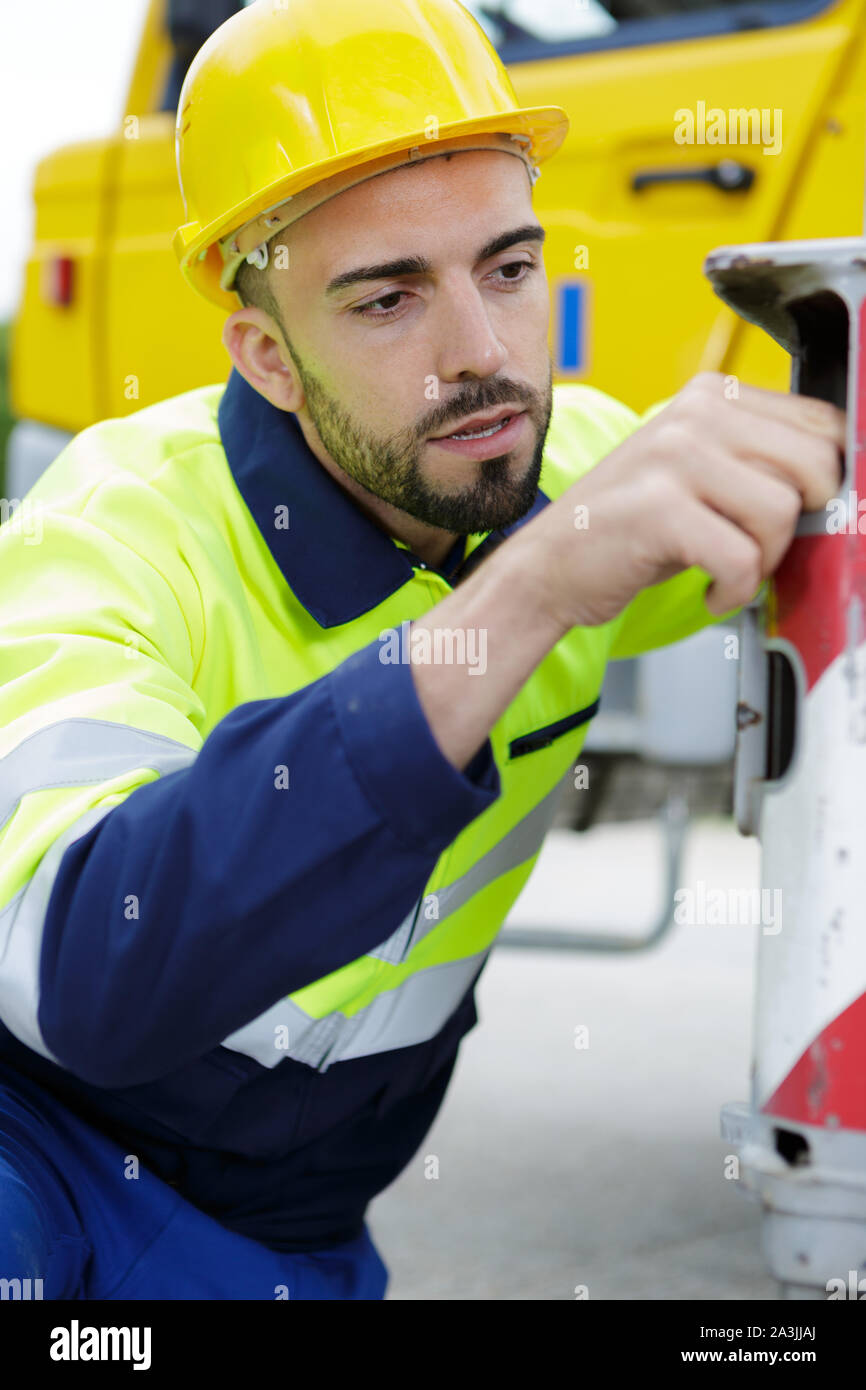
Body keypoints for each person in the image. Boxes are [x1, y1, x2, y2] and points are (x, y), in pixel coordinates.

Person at [0, 0, 843, 1300]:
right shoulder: (113, 537)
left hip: (291, 1232)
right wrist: (531, 592)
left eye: (508, 269)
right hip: (40, 1159)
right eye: (390, 299)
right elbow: (90, 961)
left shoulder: (586, 476)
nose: (485, 357)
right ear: (268, 357)